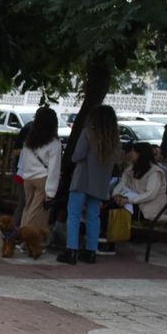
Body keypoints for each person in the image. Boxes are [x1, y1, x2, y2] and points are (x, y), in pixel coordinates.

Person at [57, 105, 120, 264]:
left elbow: (77, 155)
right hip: (100, 182)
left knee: (74, 214)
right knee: (94, 216)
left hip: (82, 178)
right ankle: (90, 251)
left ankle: (71, 250)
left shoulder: (88, 132)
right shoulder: (113, 138)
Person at [17, 106, 60, 231]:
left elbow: (24, 160)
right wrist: (50, 193)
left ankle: (21, 236)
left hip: (28, 178)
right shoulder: (54, 143)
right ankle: (25, 238)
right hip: (43, 178)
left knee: (27, 208)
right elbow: (54, 169)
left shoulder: (29, 140)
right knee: (35, 211)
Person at [113, 142, 167, 222]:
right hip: (134, 204)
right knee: (110, 207)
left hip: (148, 209)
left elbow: (150, 194)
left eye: (133, 151)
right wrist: (116, 195)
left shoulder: (155, 172)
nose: (131, 153)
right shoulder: (130, 169)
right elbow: (122, 183)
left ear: (141, 154)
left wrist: (128, 200)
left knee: (117, 211)